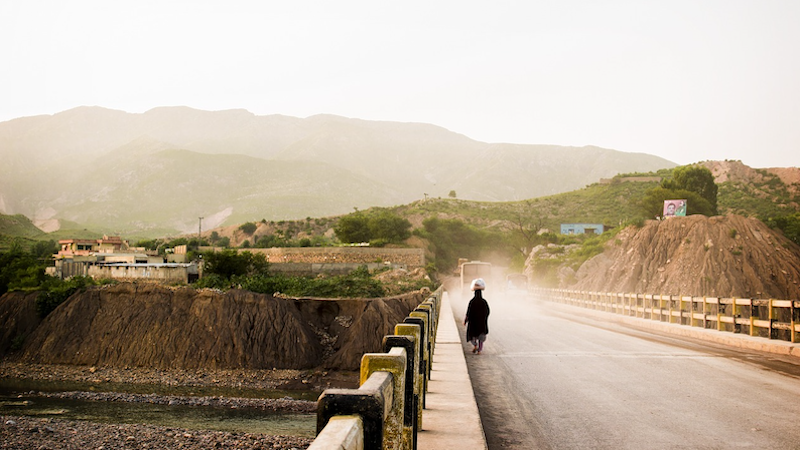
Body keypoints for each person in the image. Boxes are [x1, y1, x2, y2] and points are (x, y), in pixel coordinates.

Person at [464, 278, 490, 354]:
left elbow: (468, 312)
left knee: (473, 336)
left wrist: (465, 321)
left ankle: (475, 346)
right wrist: (484, 318)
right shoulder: (484, 302)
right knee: (481, 337)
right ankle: (479, 350)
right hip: (482, 323)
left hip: (473, 323)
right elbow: (487, 312)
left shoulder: (472, 302)